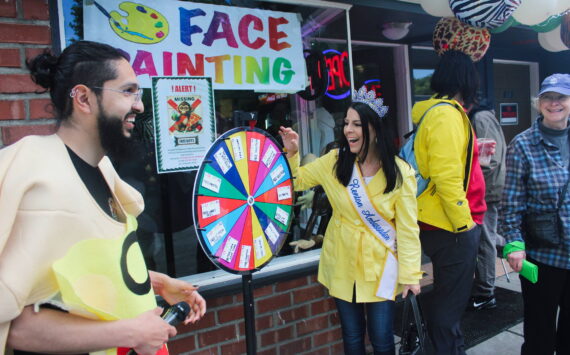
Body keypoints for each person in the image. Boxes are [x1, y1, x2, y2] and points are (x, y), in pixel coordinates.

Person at [0, 41, 206, 355]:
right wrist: (131, 331)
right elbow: (15, 325)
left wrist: (152, 282)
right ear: (84, 98)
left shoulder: (101, 169)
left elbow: (67, 274)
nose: (138, 105)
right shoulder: (42, 178)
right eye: (127, 91)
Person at [279, 86, 422, 355]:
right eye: (346, 123)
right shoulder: (335, 161)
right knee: (352, 337)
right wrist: (293, 152)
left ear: (375, 129)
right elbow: (296, 181)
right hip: (343, 262)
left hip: (380, 267)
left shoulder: (400, 171)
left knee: (382, 339)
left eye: (357, 124)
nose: (348, 130)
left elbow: (407, 228)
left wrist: (411, 275)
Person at [411, 50, 486, 354]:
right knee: (448, 307)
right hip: (451, 227)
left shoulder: (442, 113)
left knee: (448, 304)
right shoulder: (445, 114)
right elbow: (446, 178)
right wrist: (464, 225)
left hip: (443, 224)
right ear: (467, 78)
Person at [500, 73, 570, 355]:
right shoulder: (522, 144)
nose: (554, 103)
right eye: (548, 98)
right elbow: (511, 203)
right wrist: (514, 245)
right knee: (539, 334)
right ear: (539, 103)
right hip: (543, 255)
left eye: (561, 97)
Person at [469, 100, 507, 310]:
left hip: (486, 191)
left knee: (485, 240)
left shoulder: (480, 117)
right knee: (485, 238)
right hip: (485, 189)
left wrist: (471, 183)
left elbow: (489, 160)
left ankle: (485, 292)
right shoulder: (481, 116)